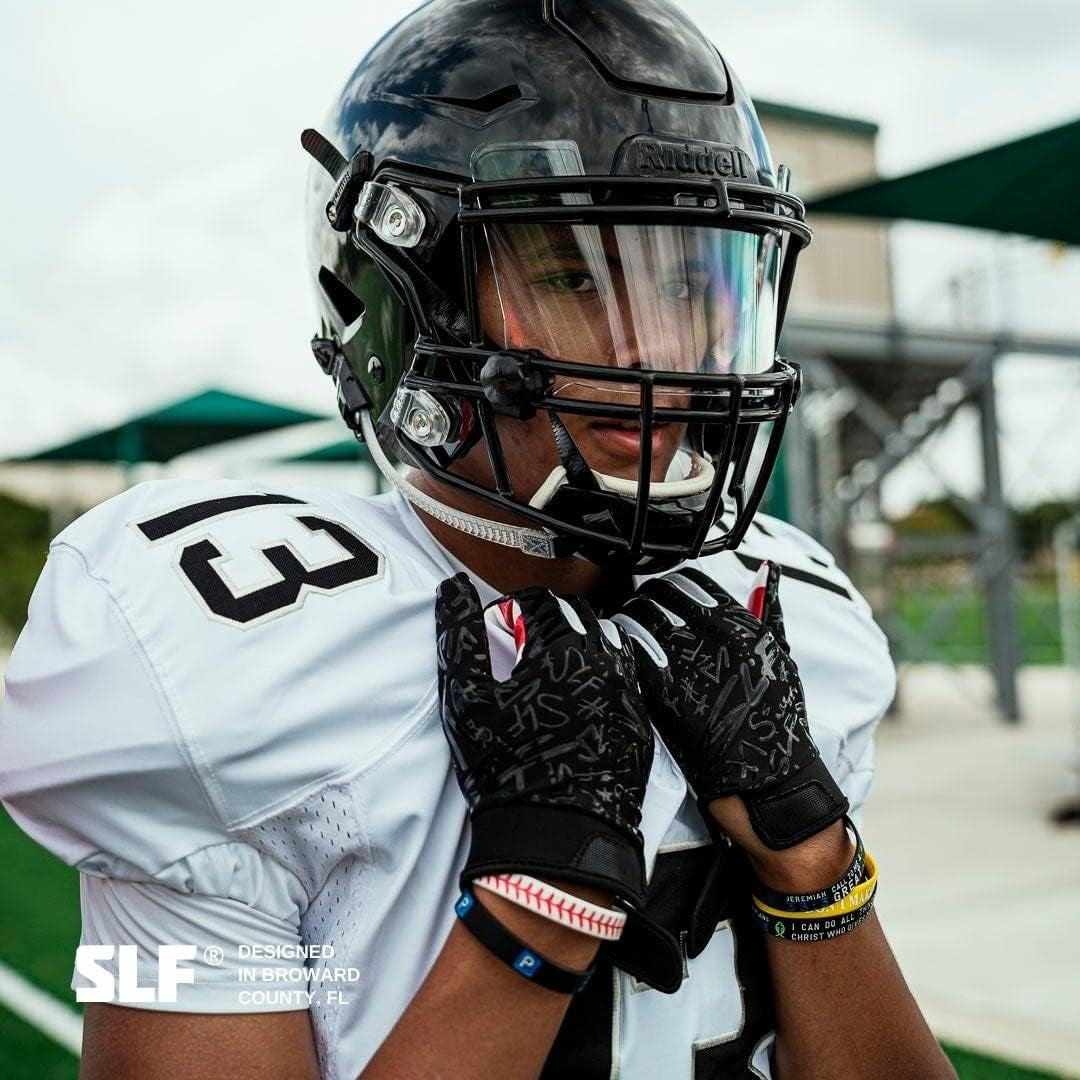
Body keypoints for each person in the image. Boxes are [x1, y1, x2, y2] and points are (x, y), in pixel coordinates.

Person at [0, 1, 957, 1077]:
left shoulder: (788, 612)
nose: (659, 352)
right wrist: (531, 919)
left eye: (693, 285)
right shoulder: (206, 645)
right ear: (406, 300)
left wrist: (814, 866)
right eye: (570, 280)